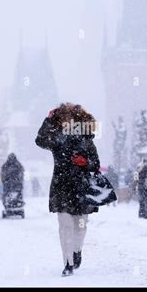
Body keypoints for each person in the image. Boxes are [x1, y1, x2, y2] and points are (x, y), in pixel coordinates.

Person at [35, 102, 100, 277]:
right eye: (65, 118)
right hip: (61, 187)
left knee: (81, 225)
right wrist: (48, 120)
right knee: (65, 226)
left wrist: (85, 163)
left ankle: (77, 250)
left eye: (71, 118)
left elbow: (96, 164)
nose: (68, 122)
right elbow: (40, 140)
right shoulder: (57, 139)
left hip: (82, 188)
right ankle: (68, 263)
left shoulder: (87, 140)